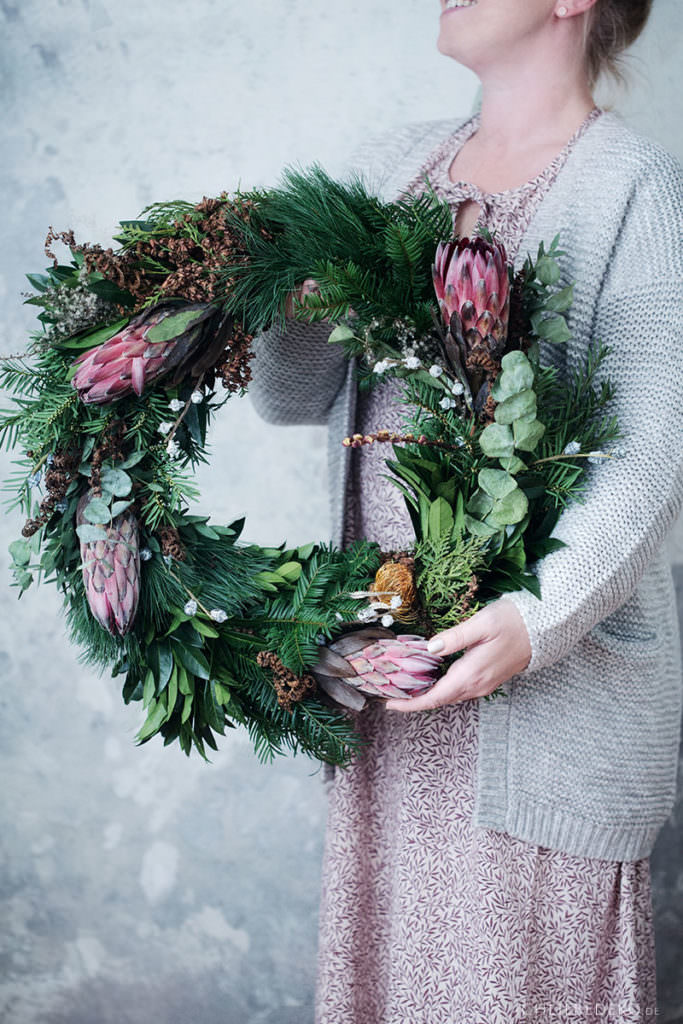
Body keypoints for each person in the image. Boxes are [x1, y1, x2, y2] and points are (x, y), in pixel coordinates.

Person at [248, 0, 683, 1020]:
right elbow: (291, 395)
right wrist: (283, 291)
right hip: (391, 681)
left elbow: (647, 452)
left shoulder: (630, 186)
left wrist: (537, 621)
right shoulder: (389, 169)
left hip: (540, 698)